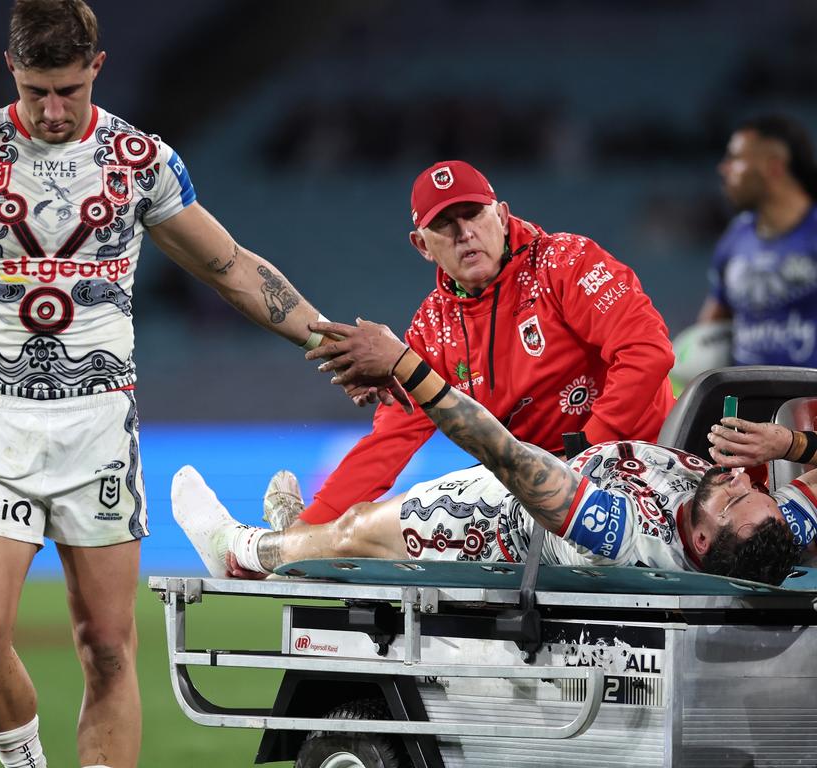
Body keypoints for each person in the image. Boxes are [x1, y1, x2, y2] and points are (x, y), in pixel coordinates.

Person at [0, 4, 401, 767]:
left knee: (107, 649)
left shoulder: (139, 160)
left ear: (97, 66)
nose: (52, 111)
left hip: (98, 428)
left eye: (66, 89)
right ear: (9, 71)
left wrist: (328, 340)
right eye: (35, 92)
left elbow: (228, 266)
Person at [175, 319, 810, 586]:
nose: (744, 483)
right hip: (555, 481)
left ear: (699, 542)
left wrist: (406, 364)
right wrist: (794, 443)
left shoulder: (623, 532)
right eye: (760, 493)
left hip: (500, 523)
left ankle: (242, 553)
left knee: (354, 530)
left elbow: (504, 454)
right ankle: (294, 541)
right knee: (339, 535)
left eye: (735, 500)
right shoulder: (770, 529)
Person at [294, 160, 676, 526]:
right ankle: (293, 540)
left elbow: (647, 352)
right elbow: (389, 442)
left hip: (637, 470)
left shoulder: (565, 262)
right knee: (412, 519)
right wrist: (310, 524)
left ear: (502, 217)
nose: (464, 233)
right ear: (421, 245)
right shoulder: (432, 327)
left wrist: (585, 456)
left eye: (474, 214)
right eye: (444, 224)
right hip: (536, 500)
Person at [697, 114, 817, 366]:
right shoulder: (736, 236)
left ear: (774, 166)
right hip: (748, 402)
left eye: (736, 158)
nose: (724, 167)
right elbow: (709, 330)